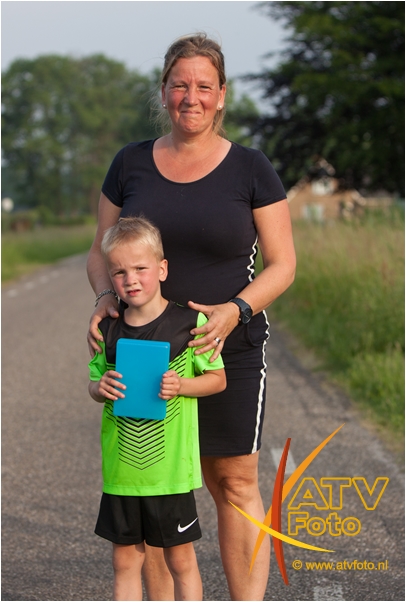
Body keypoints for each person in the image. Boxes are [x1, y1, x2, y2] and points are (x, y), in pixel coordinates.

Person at [87, 33, 296, 601]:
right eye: (180, 85)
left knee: (233, 481)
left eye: (204, 85)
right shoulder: (129, 163)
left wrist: (235, 311)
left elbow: (282, 265)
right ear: (164, 92)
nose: (191, 96)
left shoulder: (251, 168)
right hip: (144, 350)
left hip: (226, 347)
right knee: (153, 487)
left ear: (222, 94)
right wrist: (104, 297)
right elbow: (100, 250)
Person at [88, 216, 226, 601]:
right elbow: (93, 384)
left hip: (171, 475)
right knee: (124, 563)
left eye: (140, 269)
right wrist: (99, 387)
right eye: (119, 272)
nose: (130, 280)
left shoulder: (190, 324)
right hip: (122, 474)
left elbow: (218, 379)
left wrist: (182, 385)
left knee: (180, 562)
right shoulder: (107, 330)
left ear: (162, 269)